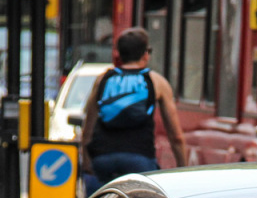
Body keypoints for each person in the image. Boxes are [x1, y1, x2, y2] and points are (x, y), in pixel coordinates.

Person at [79, 28, 186, 184]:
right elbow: (175, 136)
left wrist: (88, 162)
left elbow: (88, 130)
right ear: (145, 54)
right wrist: (182, 168)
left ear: (119, 55)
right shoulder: (156, 82)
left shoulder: (103, 79)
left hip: (103, 158)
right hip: (140, 158)